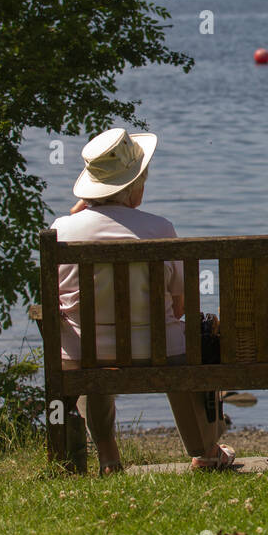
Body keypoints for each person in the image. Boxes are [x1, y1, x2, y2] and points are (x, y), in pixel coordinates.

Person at [51, 128, 234, 473]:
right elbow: (180, 308)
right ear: (134, 184)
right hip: (159, 352)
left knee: (93, 353)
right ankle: (205, 451)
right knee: (186, 336)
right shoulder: (159, 228)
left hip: (83, 354)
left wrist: (77, 215)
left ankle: (108, 458)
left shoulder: (62, 229)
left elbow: (54, 301)